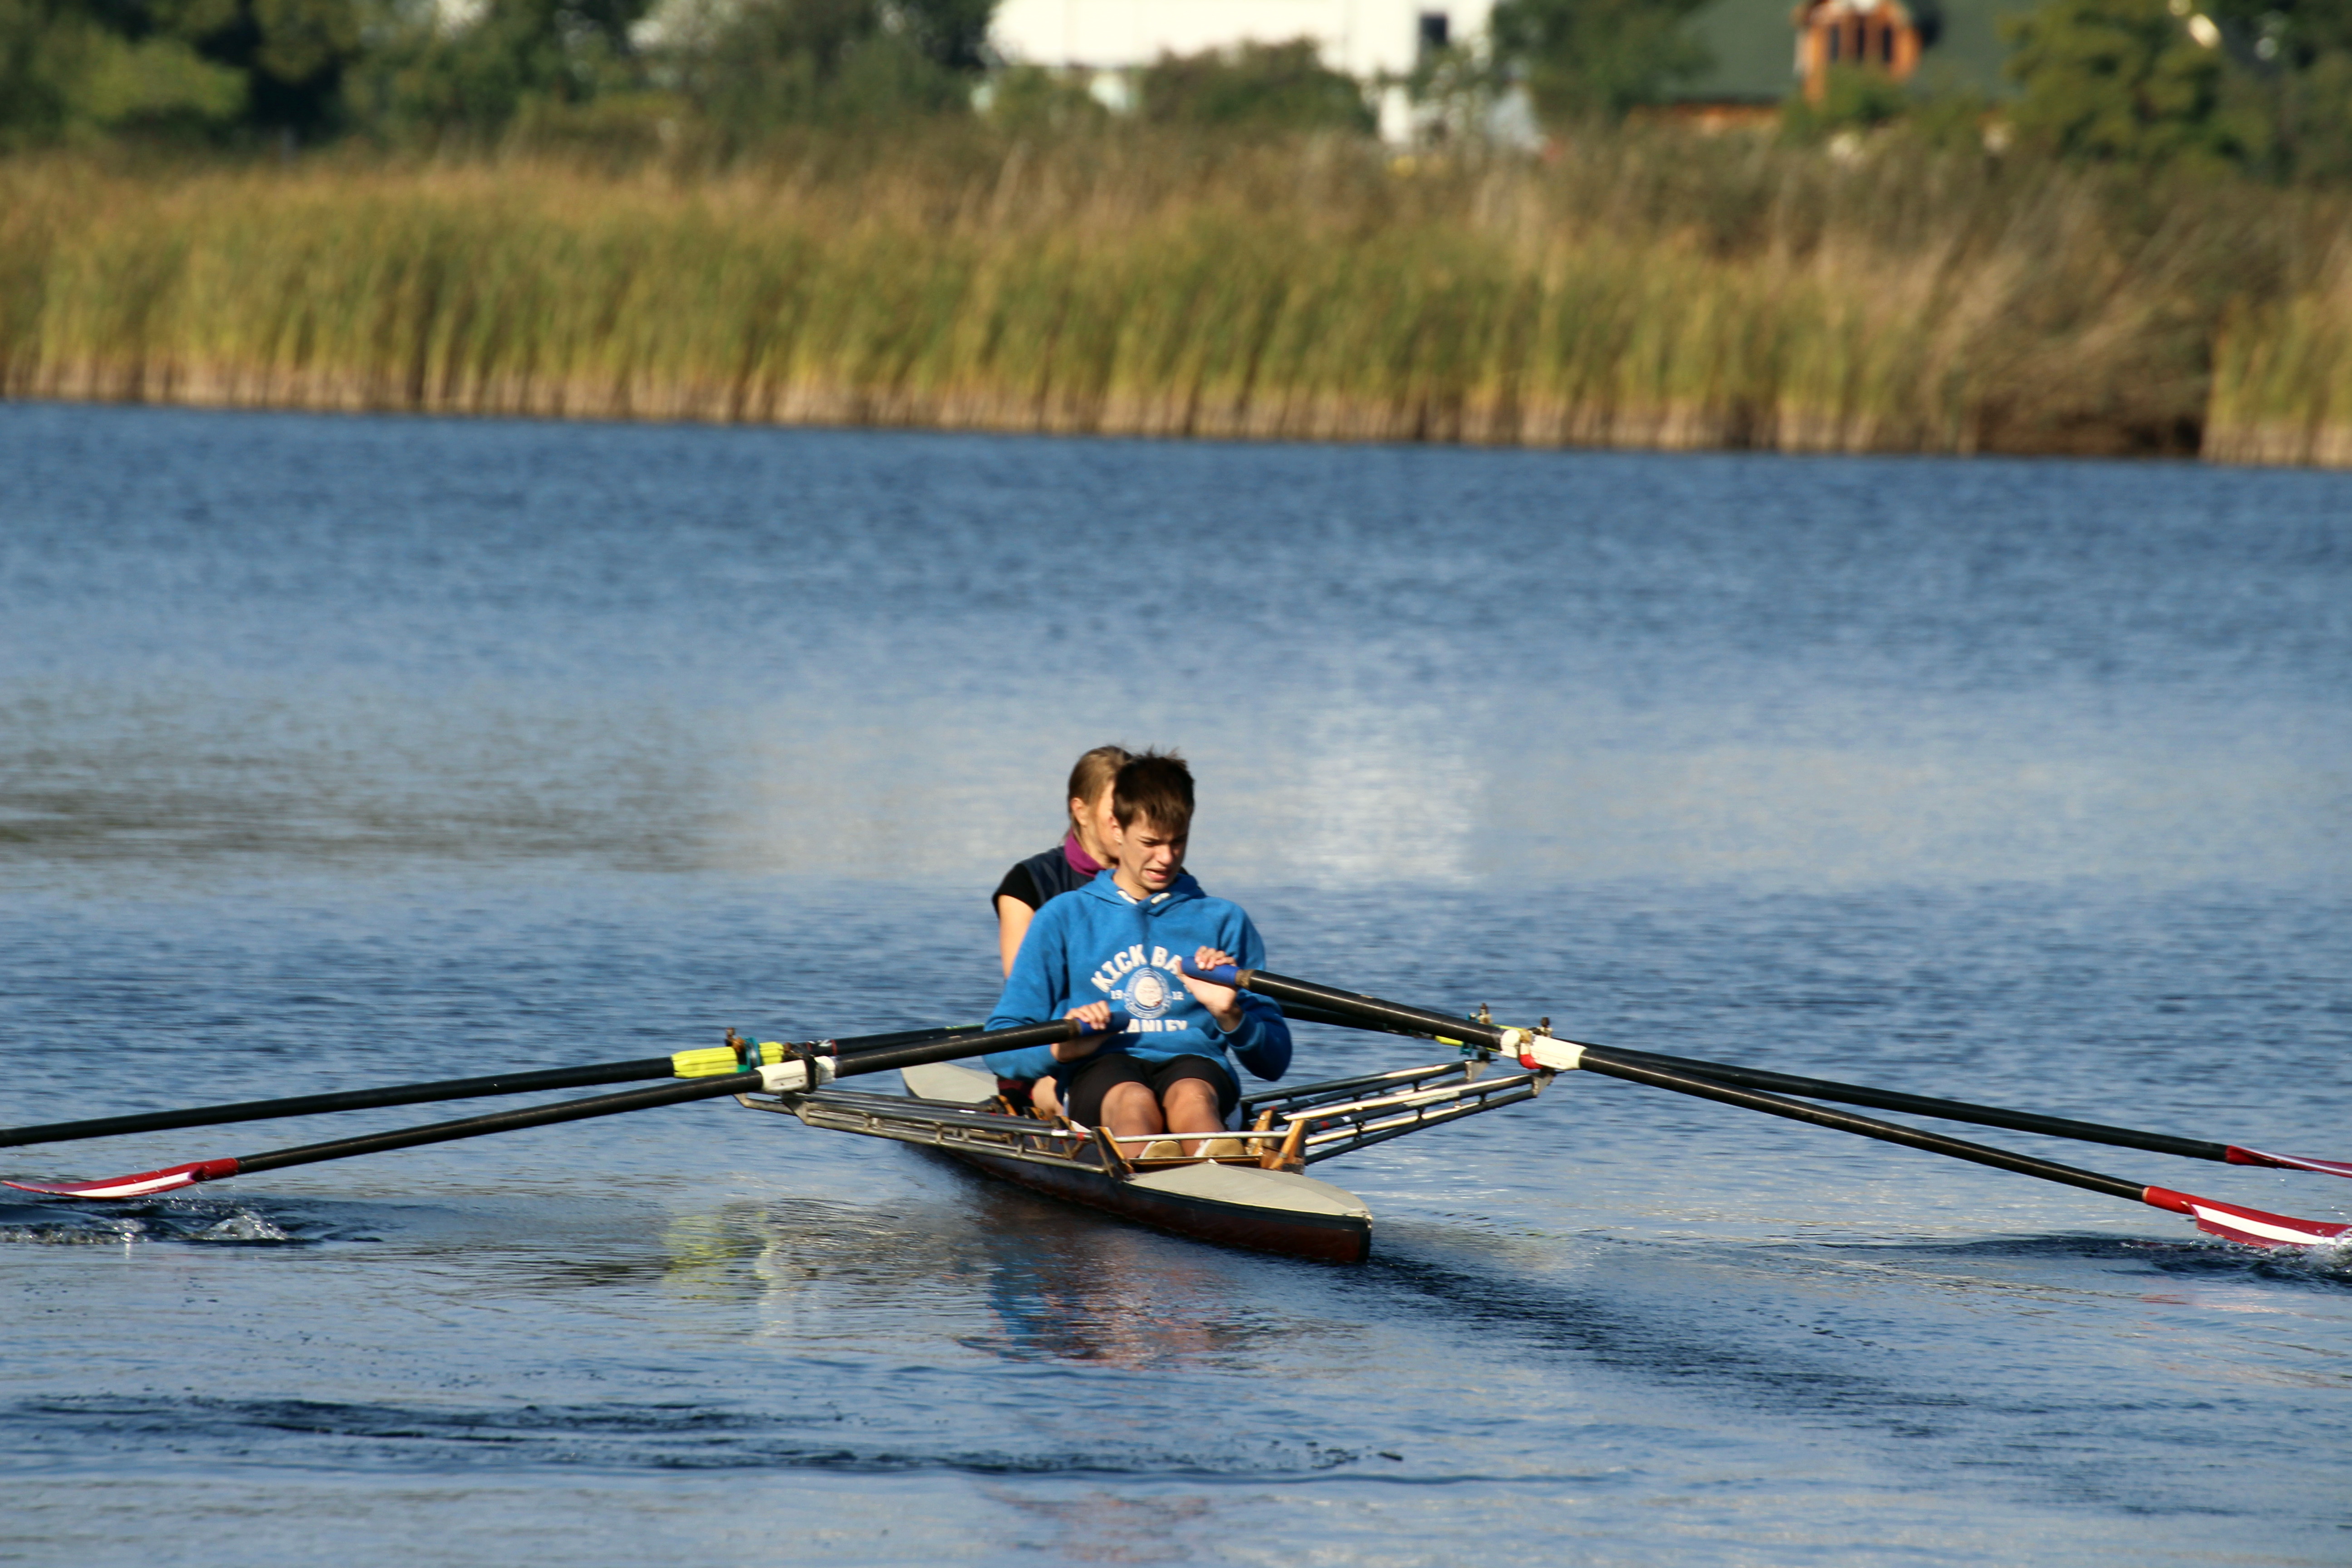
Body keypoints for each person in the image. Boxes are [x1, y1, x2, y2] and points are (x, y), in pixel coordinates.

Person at [983, 751, 1290, 1156]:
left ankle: (1212, 1168)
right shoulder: (1064, 917)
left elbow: (1274, 1062)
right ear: (1117, 828)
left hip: (1196, 1066)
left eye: (1178, 842)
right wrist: (1063, 1047)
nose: (1166, 858)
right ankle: (1169, 1169)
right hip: (1101, 1066)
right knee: (1134, 1101)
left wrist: (1230, 1015)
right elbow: (1001, 1044)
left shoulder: (1224, 921)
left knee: (1192, 1096)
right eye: (1150, 843)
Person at [993, 744, 1131, 978]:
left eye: (1134, 810)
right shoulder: (1027, 885)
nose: (1129, 823)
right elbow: (1022, 988)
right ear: (1081, 812)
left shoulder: (1164, 877)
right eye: (1117, 811)